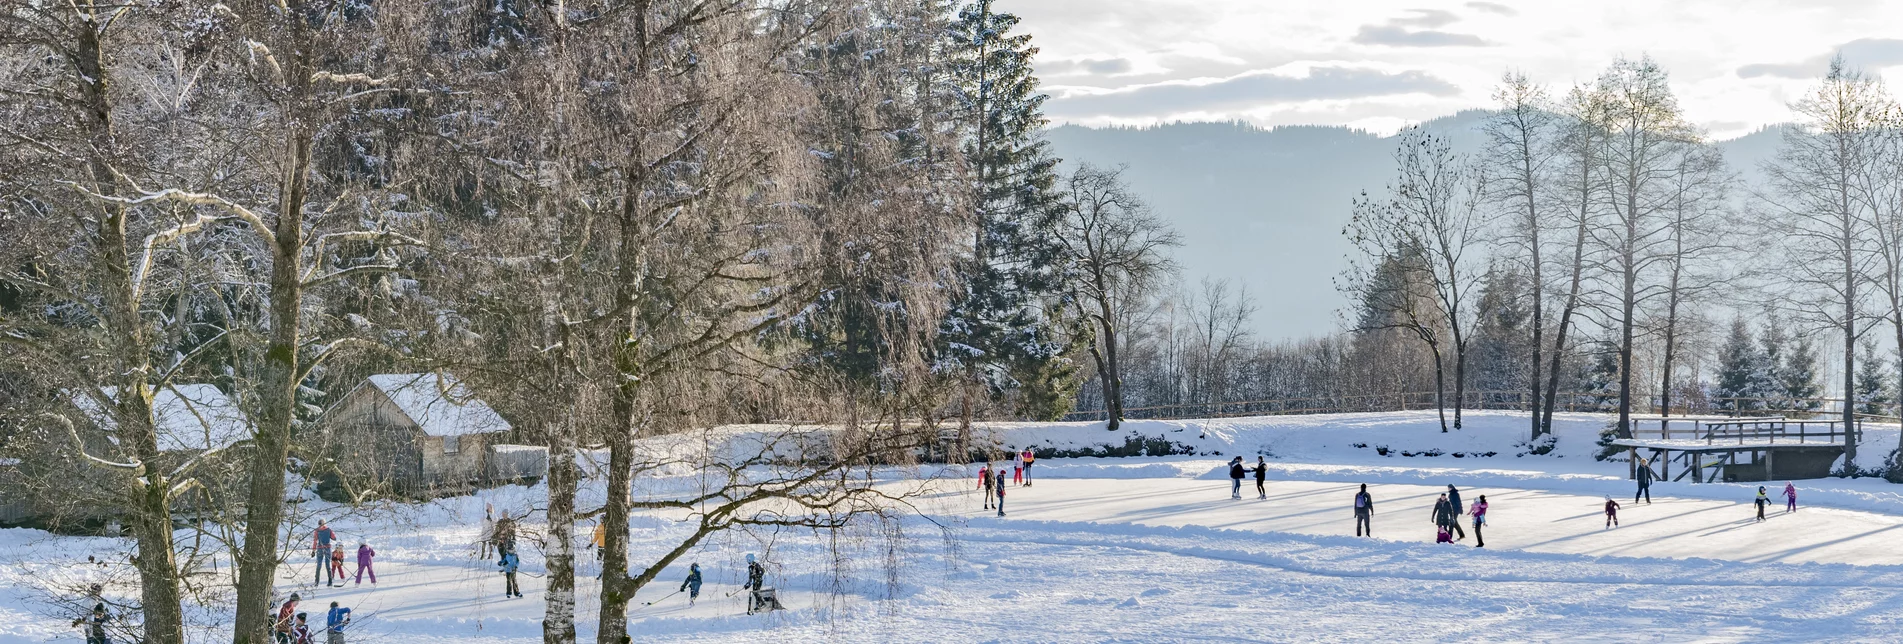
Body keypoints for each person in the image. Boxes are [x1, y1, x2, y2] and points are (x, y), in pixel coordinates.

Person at [312, 521, 336, 586]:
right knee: (327, 565)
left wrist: (313, 550)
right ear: (324, 523)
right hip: (327, 548)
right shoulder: (329, 530)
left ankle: (316, 581)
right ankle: (330, 581)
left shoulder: (317, 531)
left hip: (320, 548)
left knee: (319, 565)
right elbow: (334, 538)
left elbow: (315, 541)